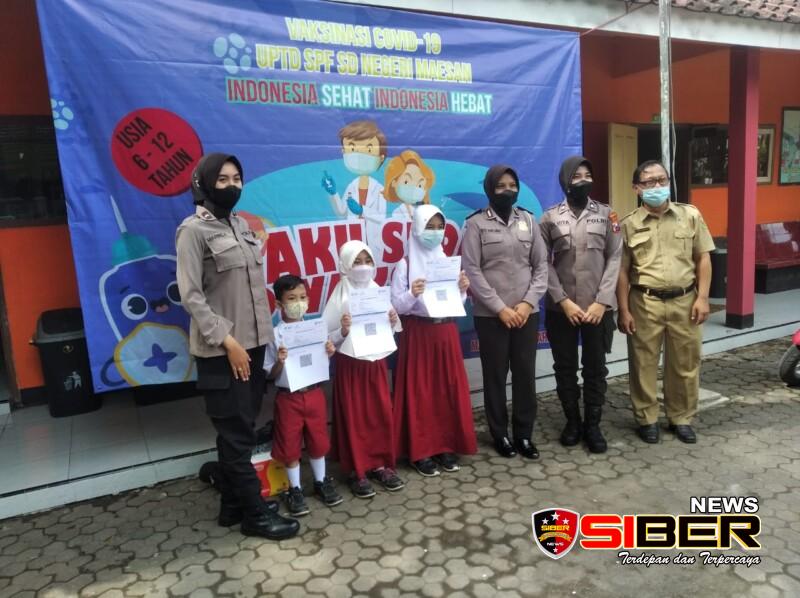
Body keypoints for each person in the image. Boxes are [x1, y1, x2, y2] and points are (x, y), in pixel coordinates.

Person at [175, 153, 299, 540]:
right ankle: (254, 516)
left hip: (254, 344)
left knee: (240, 427)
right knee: (236, 432)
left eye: (236, 178)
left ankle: (232, 505)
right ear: (204, 183)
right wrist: (228, 341)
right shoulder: (192, 231)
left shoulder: (242, 225)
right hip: (223, 350)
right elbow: (191, 295)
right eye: (223, 179)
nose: (232, 185)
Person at [616, 160, 715, 444]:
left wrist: (703, 298)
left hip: (686, 301)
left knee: (685, 363)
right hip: (644, 302)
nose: (657, 186)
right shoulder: (628, 224)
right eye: (649, 182)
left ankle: (681, 418)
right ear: (637, 188)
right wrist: (623, 310)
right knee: (643, 363)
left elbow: (703, 257)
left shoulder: (690, 215)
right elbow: (621, 271)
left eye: (662, 180)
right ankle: (646, 418)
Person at [462, 165, 548, 459]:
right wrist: (500, 309)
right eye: (501, 186)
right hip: (491, 316)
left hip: (526, 313)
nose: (507, 190)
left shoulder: (529, 220)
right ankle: (500, 434)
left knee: (525, 374)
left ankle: (524, 434)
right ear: (489, 189)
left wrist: (526, 304)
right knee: (495, 376)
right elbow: (472, 270)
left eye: (512, 185)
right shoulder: (475, 224)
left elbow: (541, 266)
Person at [539, 156, 622, 454]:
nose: (583, 180)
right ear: (565, 180)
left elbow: (615, 258)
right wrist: (562, 301)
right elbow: (542, 262)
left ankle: (593, 425)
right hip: (561, 310)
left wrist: (602, 302)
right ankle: (572, 422)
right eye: (577, 176)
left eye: (588, 175)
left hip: (598, 309)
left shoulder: (607, 214)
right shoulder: (549, 217)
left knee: (595, 368)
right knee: (565, 367)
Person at [390, 205, 477, 476]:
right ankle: (421, 451)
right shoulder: (404, 264)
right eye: (430, 227)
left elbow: (454, 301)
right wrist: (413, 293)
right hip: (419, 334)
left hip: (446, 333)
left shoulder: (445, 261)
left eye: (440, 227)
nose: (436, 232)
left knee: (445, 390)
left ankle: (445, 446)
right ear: (417, 228)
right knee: (421, 392)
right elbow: (395, 307)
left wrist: (462, 290)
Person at [322, 240, 405, 497]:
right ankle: (356, 470)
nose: (363, 267)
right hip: (351, 366)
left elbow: (390, 330)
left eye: (368, 261)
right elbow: (327, 339)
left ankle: (381, 465)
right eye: (356, 262)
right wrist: (343, 329)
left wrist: (391, 320)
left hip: (375, 365)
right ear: (345, 265)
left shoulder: (378, 291)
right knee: (355, 416)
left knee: (380, 413)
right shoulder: (339, 297)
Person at [264, 274, 343, 517]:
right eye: (291, 298)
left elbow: (321, 360)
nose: (298, 303)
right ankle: (295, 489)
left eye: (302, 297)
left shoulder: (315, 328)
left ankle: (320, 482)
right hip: (289, 397)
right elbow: (270, 374)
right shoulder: (274, 335)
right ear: (279, 304)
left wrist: (329, 351)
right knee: (290, 445)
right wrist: (280, 361)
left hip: (314, 392)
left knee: (318, 441)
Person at [321, 120, 389, 260]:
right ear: (343, 152)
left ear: (381, 157)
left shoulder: (379, 189)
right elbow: (341, 213)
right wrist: (333, 193)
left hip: (372, 241)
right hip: (353, 240)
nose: (360, 156)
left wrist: (362, 210)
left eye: (369, 150)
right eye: (352, 148)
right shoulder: (352, 186)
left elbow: (381, 216)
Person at [383, 149, 435, 222]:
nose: (414, 188)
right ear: (394, 182)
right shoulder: (397, 212)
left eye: (420, 185)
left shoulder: (424, 211)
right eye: (406, 182)